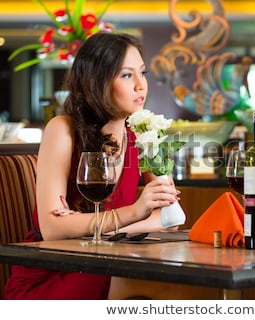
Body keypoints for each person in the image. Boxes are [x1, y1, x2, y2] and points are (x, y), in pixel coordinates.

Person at [4, 32, 180, 299]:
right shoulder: (63, 129)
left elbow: (171, 220)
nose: (141, 86)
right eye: (126, 75)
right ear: (96, 81)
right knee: (139, 279)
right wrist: (135, 213)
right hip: (55, 271)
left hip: (111, 259)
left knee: (164, 277)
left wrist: (100, 228)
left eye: (142, 73)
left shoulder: (140, 137)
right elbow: (52, 229)